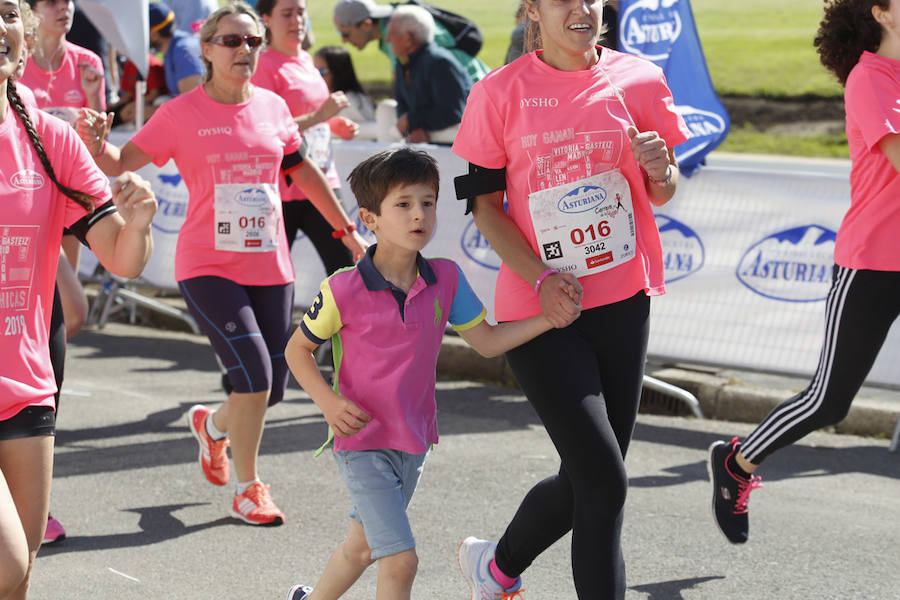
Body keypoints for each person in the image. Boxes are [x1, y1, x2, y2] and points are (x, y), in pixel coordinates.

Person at [77, 2, 365, 527]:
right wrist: (97, 142)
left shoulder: (275, 108)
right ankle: (249, 488)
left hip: (270, 265)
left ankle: (211, 428)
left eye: (252, 42)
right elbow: (120, 163)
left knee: (271, 388)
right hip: (207, 264)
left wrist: (345, 230)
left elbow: (302, 175)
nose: (244, 51)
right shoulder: (181, 112)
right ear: (206, 49)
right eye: (232, 41)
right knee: (253, 377)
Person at [450, 0, 689, 597]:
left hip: (623, 301)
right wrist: (540, 278)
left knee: (589, 477)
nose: (581, 9)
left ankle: (497, 566)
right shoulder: (498, 93)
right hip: (540, 313)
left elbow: (662, 191)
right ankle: (498, 567)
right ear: (532, 10)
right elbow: (484, 207)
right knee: (604, 482)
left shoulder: (639, 78)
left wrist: (661, 171)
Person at [282, 147, 578, 600]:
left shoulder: (447, 278)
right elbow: (297, 350)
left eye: (427, 202)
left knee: (360, 548)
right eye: (402, 204)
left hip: (414, 441)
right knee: (400, 561)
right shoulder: (343, 287)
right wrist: (327, 401)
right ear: (370, 218)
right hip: (361, 443)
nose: (418, 214)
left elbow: (487, 341)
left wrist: (546, 318)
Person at [707, 0, 900, 546]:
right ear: (882, 13)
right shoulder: (871, 78)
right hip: (872, 264)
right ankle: (736, 463)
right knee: (828, 401)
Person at [1, 1, 157, 595]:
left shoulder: (49, 138)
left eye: (8, 14)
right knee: (7, 563)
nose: (0, 28)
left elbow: (120, 258)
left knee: (23, 569)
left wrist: (138, 224)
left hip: (26, 384)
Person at [252, 0, 362, 275]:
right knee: (273, 275)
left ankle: (349, 320)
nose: (296, 21)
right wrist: (319, 116)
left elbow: (314, 114)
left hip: (323, 179)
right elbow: (267, 131)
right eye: (286, 14)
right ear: (266, 19)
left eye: (300, 13)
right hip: (283, 187)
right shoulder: (263, 66)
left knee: (347, 268)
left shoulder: (306, 60)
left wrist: (335, 124)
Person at [332, 0, 489, 83]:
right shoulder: (393, 23)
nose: (343, 41)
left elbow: (403, 82)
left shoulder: (397, 28)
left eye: (345, 33)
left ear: (366, 24)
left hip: (476, 90)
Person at [386, 5, 472, 144]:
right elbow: (402, 107)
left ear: (408, 38)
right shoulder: (403, 63)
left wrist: (411, 120)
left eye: (392, 33)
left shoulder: (440, 62)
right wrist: (414, 126)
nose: (387, 39)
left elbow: (452, 113)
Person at [18, 0, 104, 124]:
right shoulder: (16, 61)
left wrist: (93, 96)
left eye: (67, 1)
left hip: (75, 144)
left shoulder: (89, 62)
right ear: (31, 11)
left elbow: (101, 135)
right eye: (52, 2)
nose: (64, 7)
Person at [313, 45, 376, 132]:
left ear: (338, 72)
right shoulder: (320, 99)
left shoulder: (352, 102)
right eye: (313, 71)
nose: (316, 76)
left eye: (322, 72)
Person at [148, 1, 203, 98]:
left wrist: (150, 109)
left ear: (154, 35)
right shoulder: (172, 48)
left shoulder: (183, 51)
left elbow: (193, 102)